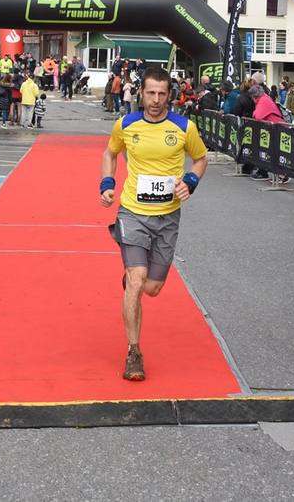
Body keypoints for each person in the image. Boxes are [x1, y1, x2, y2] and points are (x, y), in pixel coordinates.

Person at [101, 67, 208, 381]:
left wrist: (190, 181)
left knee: (152, 288)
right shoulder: (126, 124)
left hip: (167, 216)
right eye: (151, 93)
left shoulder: (184, 127)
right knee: (137, 281)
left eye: (162, 94)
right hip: (132, 212)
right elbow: (110, 152)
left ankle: (132, 283)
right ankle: (134, 352)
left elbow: (201, 159)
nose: (156, 100)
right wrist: (107, 182)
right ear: (141, 93)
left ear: (169, 95)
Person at [248, 84, 286, 182]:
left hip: (276, 129)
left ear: (253, 96)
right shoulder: (265, 98)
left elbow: (258, 116)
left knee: (276, 152)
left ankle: (282, 175)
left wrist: (254, 113)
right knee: (273, 152)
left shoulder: (263, 101)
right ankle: (273, 173)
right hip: (275, 128)